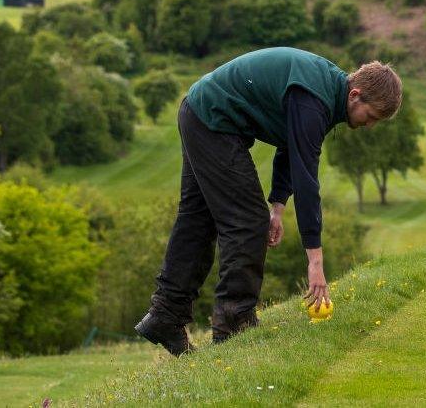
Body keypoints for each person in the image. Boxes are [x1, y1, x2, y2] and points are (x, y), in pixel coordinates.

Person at [134, 47, 402, 356]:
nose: (370, 125)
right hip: (212, 120)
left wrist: (277, 207)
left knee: (198, 220)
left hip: (199, 111)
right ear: (356, 94)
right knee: (247, 223)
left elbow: (291, 148)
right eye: (372, 117)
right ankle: (234, 325)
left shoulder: (326, 94)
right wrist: (315, 263)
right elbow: (306, 182)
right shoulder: (315, 100)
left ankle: (165, 316)